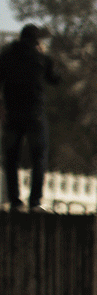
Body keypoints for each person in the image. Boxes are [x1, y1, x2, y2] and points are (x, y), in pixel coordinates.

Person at [0, 24, 57, 212]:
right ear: (36, 40)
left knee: (11, 159)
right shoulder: (41, 58)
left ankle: (15, 201)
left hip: (12, 115)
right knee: (39, 158)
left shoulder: (6, 57)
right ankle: (35, 202)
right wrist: (46, 55)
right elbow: (55, 79)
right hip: (35, 116)